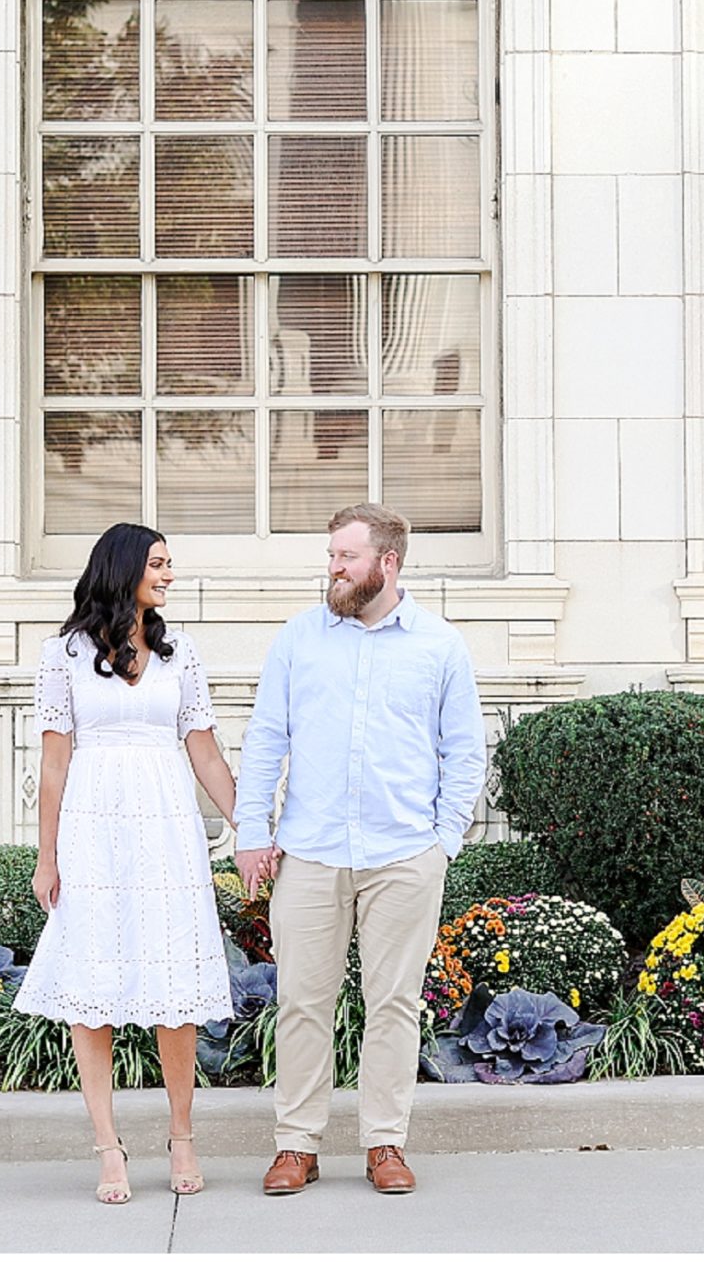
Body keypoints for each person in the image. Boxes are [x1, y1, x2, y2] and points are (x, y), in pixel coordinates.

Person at [231, 502, 486, 1197]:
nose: (334, 568)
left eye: (346, 556)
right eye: (331, 556)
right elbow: (265, 741)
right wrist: (252, 831)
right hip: (310, 850)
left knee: (394, 1003)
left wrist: (443, 842)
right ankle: (297, 1145)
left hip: (404, 853)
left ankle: (385, 1142)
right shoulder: (298, 640)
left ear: (388, 562)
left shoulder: (439, 646)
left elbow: (465, 753)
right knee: (303, 1001)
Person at [14, 523, 237, 1205]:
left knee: (174, 986)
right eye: (159, 564)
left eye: (170, 563)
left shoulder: (180, 653)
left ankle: (182, 1132)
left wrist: (248, 824)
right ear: (124, 569)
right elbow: (54, 763)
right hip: (93, 829)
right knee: (95, 987)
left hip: (167, 826)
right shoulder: (65, 655)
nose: (169, 575)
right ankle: (107, 1145)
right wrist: (46, 855)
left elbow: (202, 748)